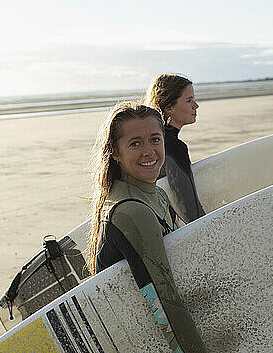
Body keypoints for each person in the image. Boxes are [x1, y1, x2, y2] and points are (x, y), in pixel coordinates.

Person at [87, 101, 207, 353]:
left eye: (155, 139)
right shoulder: (133, 211)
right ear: (115, 153)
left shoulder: (157, 196)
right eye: (135, 143)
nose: (149, 151)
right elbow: (165, 301)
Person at [145, 73, 205, 223]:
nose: (196, 106)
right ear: (169, 107)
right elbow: (190, 210)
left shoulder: (150, 140)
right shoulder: (173, 147)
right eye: (189, 100)